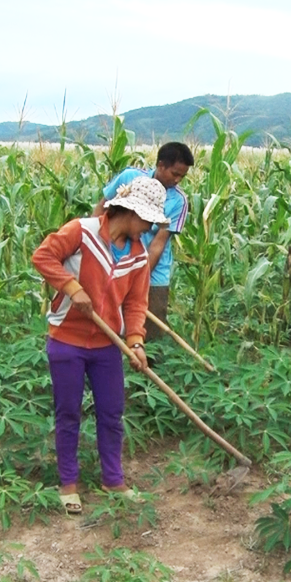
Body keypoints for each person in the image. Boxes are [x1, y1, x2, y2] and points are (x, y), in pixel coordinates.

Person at [32, 176, 169, 514]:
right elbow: (43, 256)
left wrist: (136, 342)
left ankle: (113, 478)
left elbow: (137, 303)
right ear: (130, 212)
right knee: (69, 413)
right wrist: (72, 288)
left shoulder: (137, 256)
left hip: (108, 345)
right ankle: (68, 483)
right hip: (67, 340)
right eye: (148, 220)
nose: (149, 228)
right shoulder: (82, 232)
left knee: (111, 412)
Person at [97, 141, 194, 345]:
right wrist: (93, 250)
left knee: (149, 338)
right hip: (110, 262)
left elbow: (158, 245)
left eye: (182, 177)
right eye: (175, 173)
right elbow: (100, 210)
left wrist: (134, 280)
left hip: (151, 274)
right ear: (161, 165)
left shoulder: (178, 201)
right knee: (109, 331)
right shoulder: (130, 178)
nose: (177, 180)